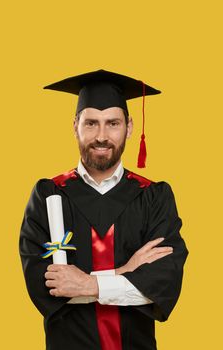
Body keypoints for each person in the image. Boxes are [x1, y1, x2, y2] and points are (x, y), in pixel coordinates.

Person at [19, 69, 189, 350]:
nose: (101, 136)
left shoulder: (154, 196)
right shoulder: (48, 194)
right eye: (91, 123)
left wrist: (88, 284)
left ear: (129, 127)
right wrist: (126, 271)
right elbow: (44, 287)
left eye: (112, 123)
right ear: (75, 125)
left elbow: (163, 282)